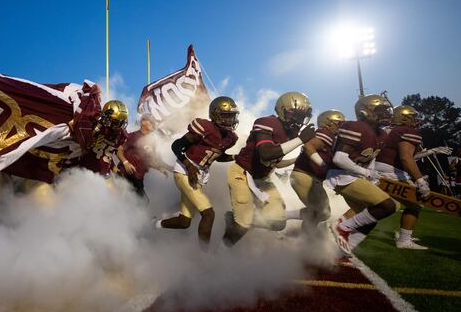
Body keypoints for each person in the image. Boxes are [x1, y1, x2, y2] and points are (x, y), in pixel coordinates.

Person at [223, 92, 316, 246]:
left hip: (262, 179)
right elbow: (266, 153)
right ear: (282, 110)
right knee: (242, 224)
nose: (298, 121)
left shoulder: (291, 133)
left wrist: (297, 159)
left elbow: (274, 162)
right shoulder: (267, 122)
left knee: (278, 222)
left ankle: (238, 219)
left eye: (302, 117)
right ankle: (221, 250)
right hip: (243, 173)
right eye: (295, 115)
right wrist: (301, 139)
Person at [157, 96, 239, 249]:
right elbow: (176, 146)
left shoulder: (230, 138)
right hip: (184, 171)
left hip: (199, 175)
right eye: (226, 116)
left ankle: (155, 224)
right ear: (215, 115)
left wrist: (236, 157)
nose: (230, 120)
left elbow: (217, 156)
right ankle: (204, 258)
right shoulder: (204, 128)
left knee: (184, 222)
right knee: (209, 214)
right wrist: (189, 166)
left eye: (232, 116)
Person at [328, 94, 398, 255]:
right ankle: (341, 227)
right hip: (341, 175)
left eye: (386, 110)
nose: (385, 113)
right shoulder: (356, 126)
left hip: (355, 175)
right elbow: (339, 158)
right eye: (380, 110)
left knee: (372, 217)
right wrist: (365, 172)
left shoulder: (382, 134)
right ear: (365, 111)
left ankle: (343, 252)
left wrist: (370, 174)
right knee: (389, 206)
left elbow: (371, 157)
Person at [374, 105, 431, 250]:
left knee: (376, 204)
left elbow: (405, 156)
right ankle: (404, 240)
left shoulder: (391, 130)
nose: (416, 119)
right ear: (405, 117)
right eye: (413, 116)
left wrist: (430, 152)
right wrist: (421, 181)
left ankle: (343, 226)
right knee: (416, 203)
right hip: (391, 172)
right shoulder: (408, 131)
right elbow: (406, 158)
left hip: (378, 169)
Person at [290, 109, 345, 236]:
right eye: (339, 123)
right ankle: (284, 218)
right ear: (327, 123)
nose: (341, 127)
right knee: (321, 211)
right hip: (305, 175)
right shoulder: (325, 133)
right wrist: (322, 165)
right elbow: (308, 146)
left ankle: (301, 236)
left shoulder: (332, 138)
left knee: (321, 213)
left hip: (311, 177)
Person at [116, 113, 171, 202]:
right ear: (143, 122)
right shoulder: (133, 136)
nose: (153, 124)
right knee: (121, 200)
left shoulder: (152, 141)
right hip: (125, 175)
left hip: (138, 179)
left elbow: (148, 161)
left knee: (143, 202)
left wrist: (159, 168)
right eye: (151, 122)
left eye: (154, 122)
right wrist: (126, 163)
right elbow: (119, 150)